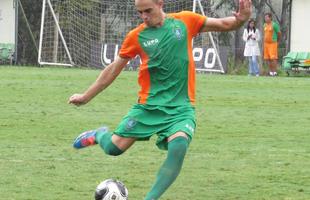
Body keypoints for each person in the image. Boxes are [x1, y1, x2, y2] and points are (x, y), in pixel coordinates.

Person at [68, 0, 252, 199]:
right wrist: (86, 96)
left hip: (181, 108)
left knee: (179, 145)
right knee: (114, 148)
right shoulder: (136, 36)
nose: (144, 16)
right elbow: (114, 69)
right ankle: (98, 134)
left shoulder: (185, 21)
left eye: (148, 11)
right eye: (140, 13)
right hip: (149, 107)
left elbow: (226, 24)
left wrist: (240, 19)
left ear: (160, 4)